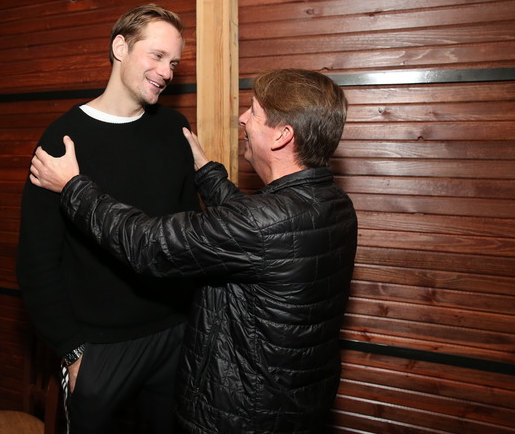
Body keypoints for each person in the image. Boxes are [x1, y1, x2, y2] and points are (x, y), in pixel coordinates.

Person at [28, 69, 359, 433]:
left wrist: (74, 187)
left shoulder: (264, 223)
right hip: (294, 406)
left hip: (241, 416)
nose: (243, 118)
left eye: (254, 111)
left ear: (282, 135)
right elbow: (259, 233)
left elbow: (148, 244)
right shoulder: (334, 204)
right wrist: (208, 173)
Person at [16, 4, 200, 434]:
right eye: (156, 56)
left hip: (174, 335)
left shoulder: (174, 128)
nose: (166, 71)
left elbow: (189, 233)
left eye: (173, 62)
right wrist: (71, 350)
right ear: (120, 47)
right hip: (98, 348)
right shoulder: (63, 138)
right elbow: (36, 260)